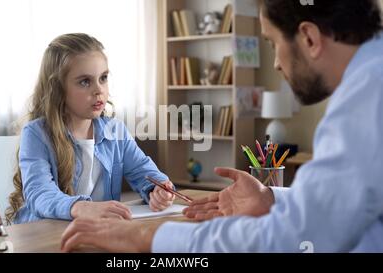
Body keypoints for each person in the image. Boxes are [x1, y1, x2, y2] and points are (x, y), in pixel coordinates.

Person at [60, 0, 383, 252]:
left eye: (271, 43)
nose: (275, 63)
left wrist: (147, 235)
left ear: (310, 37)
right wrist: (272, 199)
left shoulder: (366, 98)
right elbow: (341, 208)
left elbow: (290, 239)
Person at [5, 33, 175, 224]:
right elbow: (40, 193)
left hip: (97, 233)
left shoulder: (115, 130)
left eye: (103, 78)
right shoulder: (36, 134)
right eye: (85, 81)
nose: (99, 90)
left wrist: (158, 190)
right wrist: (80, 207)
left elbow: (144, 171)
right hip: (46, 235)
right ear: (58, 89)